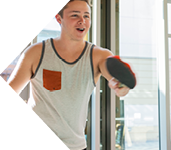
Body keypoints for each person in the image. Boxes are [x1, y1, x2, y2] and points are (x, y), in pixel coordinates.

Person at [7, 0, 133, 150]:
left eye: (87, 16)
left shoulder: (99, 56)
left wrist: (120, 87)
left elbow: (118, 83)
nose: (82, 21)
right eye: (75, 15)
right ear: (59, 19)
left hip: (75, 146)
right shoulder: (35, 53)